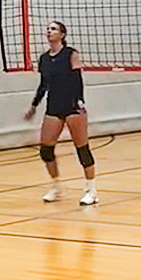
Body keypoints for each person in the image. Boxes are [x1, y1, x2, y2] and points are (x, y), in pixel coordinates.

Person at [22, 20, 98, 206]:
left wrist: (79, 101)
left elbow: (77, 79)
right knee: (46, 150)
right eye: (48, 29)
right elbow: (43, 84)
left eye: (53, 29)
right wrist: (34, 105)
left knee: (82, 148)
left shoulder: (71, 54)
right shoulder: (44, 59)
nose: (49, 32)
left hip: (72, 106)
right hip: (53, 106)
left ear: (62, 34)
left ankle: (91, 190)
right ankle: (56, 186)